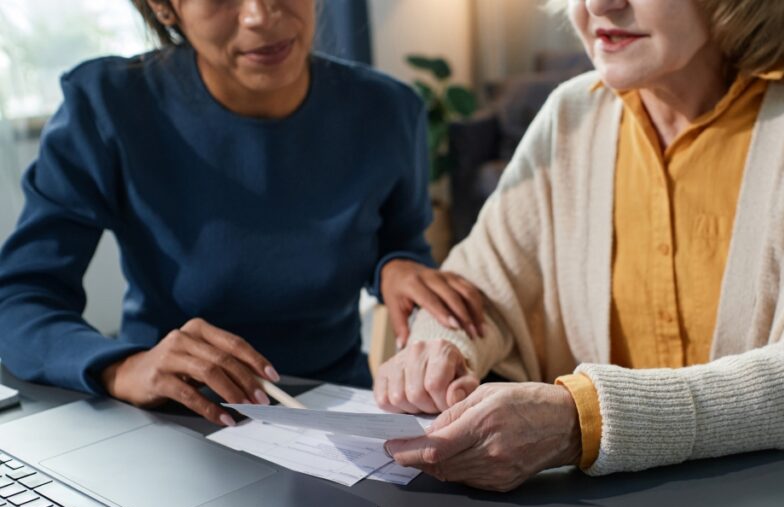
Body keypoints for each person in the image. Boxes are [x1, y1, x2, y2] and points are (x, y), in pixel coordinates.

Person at [375, 0, 784, 491]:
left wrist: (582, 418)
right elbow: (478, 287)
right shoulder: (570, 115)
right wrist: (438, 351)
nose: (599, 5)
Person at [0, 0, 484, 427]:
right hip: (170, 420)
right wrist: (124, 368)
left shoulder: (387, 108)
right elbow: (19, 299)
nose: (261, 16)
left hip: (332, 416)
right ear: (166, 7)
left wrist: (396, 268)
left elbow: (403, 247)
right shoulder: (107, 105)